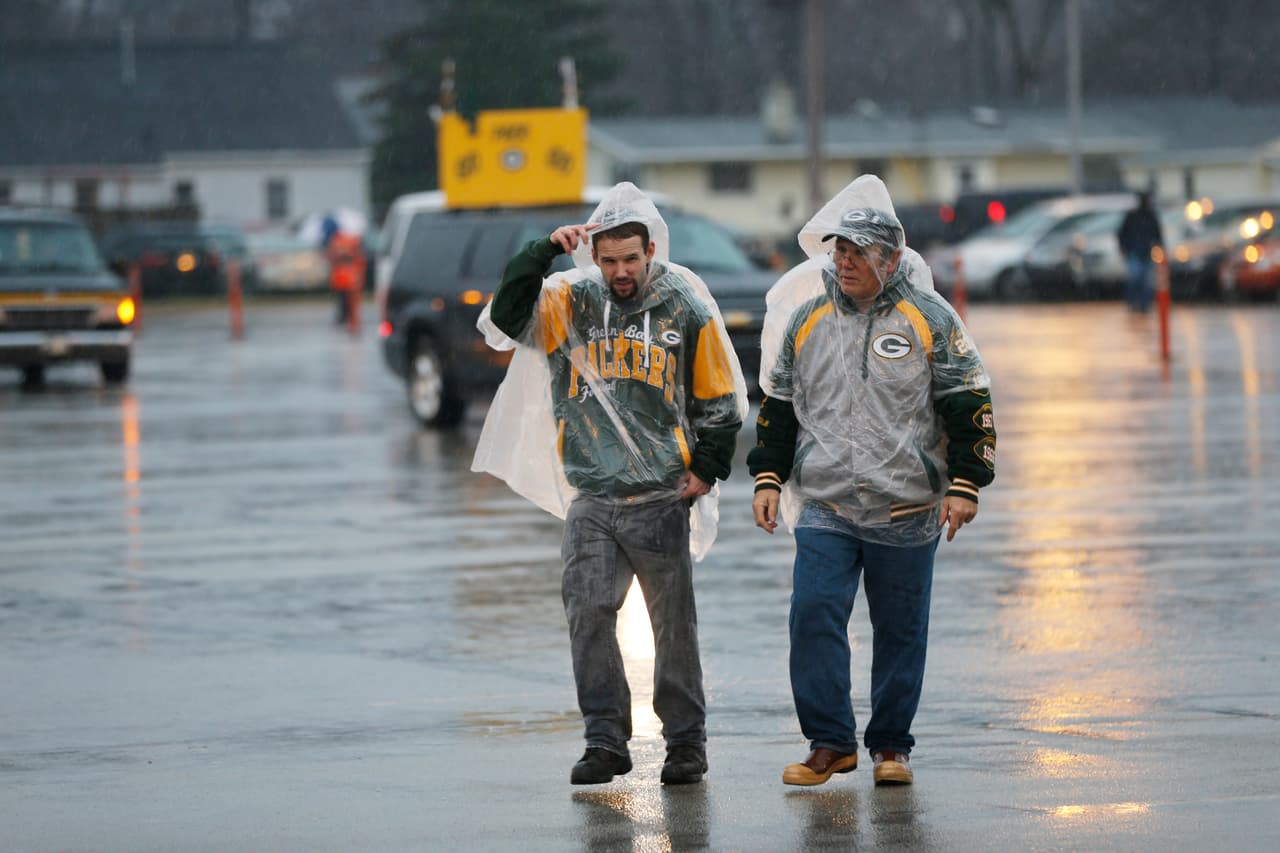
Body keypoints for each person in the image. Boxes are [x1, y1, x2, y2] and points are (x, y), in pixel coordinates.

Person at [484, 184, 745, 786]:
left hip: (660, 495)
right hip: (593, 498)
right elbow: (505, 318)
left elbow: (718, 398)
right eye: (609, 260)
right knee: (589, 617)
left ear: (650, 249)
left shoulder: (683, 306)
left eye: (631, 259)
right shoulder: (569, 303)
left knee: (672, 624)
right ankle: (605, 741)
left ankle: (686, 743)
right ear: (593, 257)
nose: (620, 272)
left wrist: (706, 468)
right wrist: (540, 251)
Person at [748, 175, 997, 787]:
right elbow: (779, 406)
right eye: (839, 250)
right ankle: (830, 742)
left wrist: (966, 484)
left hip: (907, 508)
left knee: (900, 633)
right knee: (813, 614)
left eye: (858, 252)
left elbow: (969, 401)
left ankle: (891, 747)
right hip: (829, 504)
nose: (845, 261)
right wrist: (769, 477)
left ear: (890, 258)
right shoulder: (808, 319)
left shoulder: (930, 317)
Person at [1116, 191, 1164, 312]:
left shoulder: (1150, 216)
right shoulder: (1133, 216)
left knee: (1145, 280)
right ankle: (1134, 302)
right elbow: (1122, 234)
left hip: (1146, 253)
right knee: (1136, 278)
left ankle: (1143, 304)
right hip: (1135, 253)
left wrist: (1159, 249)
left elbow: (1157, 235)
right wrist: (1125, 248)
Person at [327, 230, 365, 326]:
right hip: (345, 278)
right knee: (344, 299)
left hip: (345, 278)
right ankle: (347, 318)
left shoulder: (340, 241)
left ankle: (347, 318)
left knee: (345, 300)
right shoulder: (350, 242)